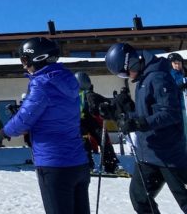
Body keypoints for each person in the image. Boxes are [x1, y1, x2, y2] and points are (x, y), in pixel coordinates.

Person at [0, 37, 90, 214]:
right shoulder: (69, 80)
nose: (24, 65)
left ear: (39, 58)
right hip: (78, 163)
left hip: (54, 165)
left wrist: (4, 132)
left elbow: (24, 118)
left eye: (24, 60)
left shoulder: (42, 84)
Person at [105, 43, 187, 213]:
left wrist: (139, 123)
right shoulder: (145, 78)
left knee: (183, 199)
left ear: (132, 63)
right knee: (140, 198)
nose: (126, 77)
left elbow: (169, 113)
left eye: (124, 72)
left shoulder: (158, 77)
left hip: (167, 154)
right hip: (148, 154)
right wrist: (123, 117)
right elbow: (145, 113)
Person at [74, 71, 119, 174]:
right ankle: (87, 165)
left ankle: (111, 164)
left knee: (102, 136)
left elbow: (102, 101)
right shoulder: (71, 94)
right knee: (83, 139)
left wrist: (108, 105)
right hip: (76, 121)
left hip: (89, 119)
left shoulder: (90, 94)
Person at [168, 53, 187, 145]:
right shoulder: (170, 74)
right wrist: (182, 82)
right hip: (179, 105)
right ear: (171, 64)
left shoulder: (183, 72)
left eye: (179, 63)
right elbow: (172, 87)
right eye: (175, 63)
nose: (178, 65)